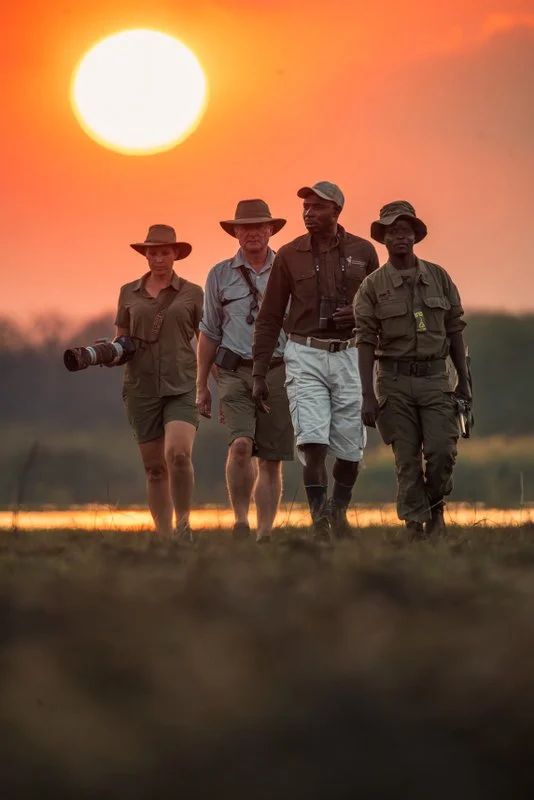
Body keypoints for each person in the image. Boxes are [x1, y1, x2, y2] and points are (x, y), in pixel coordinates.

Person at [252, 182, 379, 541]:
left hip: (350, 356)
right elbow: (269, 315)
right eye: (305, 207)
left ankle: (338, 511)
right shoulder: (289, 255)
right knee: (312, 442)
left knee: (351, 450)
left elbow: (377, 306)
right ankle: (319, 521)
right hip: (303, 354)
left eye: (317, 207)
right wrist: (260, 372)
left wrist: (357, 316)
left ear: (336, 210)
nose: (308, 213)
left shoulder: (364, 251)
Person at [353, 201, 472, 538]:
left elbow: (455, 330)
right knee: (406, 459)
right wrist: (367, 396)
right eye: (392, 232)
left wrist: (464, 380)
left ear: (415, 236)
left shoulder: (439, 278)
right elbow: (364, 340)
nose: (400, 237)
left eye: (405, 231)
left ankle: (436, 507)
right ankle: (414, 523)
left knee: (441, 452)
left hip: (436, 379)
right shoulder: (372, 287)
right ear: (384, 239)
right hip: (393, 381)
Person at [196, 199, 294, 543]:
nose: (252, 233)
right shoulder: (218, 274)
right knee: (240, 445)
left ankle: (265, 533)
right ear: (235, 232)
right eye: (245, 227)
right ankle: (240, 520)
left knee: (270, 459)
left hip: (279, 370)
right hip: (234, 370)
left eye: (259, 226)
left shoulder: (288, 268)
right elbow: (209, 331)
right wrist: (202, 386)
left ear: (271, 230)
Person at [115, 224, 203, 541]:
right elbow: (120, 340)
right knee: (154, 469)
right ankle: (165, 538)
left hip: (182, 385)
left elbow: (203, 340)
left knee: (178, 455)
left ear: (175, 254)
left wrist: (210, 383)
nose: (158, 258)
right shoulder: (128, 292)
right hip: (141, 388)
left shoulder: (193, 293)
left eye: (164, 252)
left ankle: (183, 524)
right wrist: (107, 354)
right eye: (152, 252)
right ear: (146, 255)